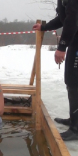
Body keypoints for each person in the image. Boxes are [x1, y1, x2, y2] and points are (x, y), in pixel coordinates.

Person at [32, 0, 78, 141]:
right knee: (71, 80)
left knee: (74, 81)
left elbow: (73, 18)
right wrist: (45, 27)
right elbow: (63, 17)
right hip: (75, 42)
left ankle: (76, 129)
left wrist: (62, 47)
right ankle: (74, 119)